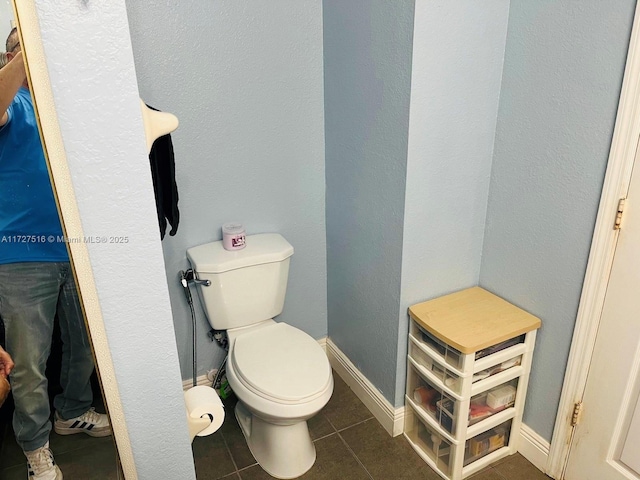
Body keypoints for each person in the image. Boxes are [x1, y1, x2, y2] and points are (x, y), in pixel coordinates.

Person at [0, 28, 111, 480]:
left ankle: (72, 410)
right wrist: (28, 52)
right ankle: (35, 449)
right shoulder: (12, 105)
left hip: (77, 250)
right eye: (18, 49)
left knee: (85, 342)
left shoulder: (63, 110)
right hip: (20, 254)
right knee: (29, 362)